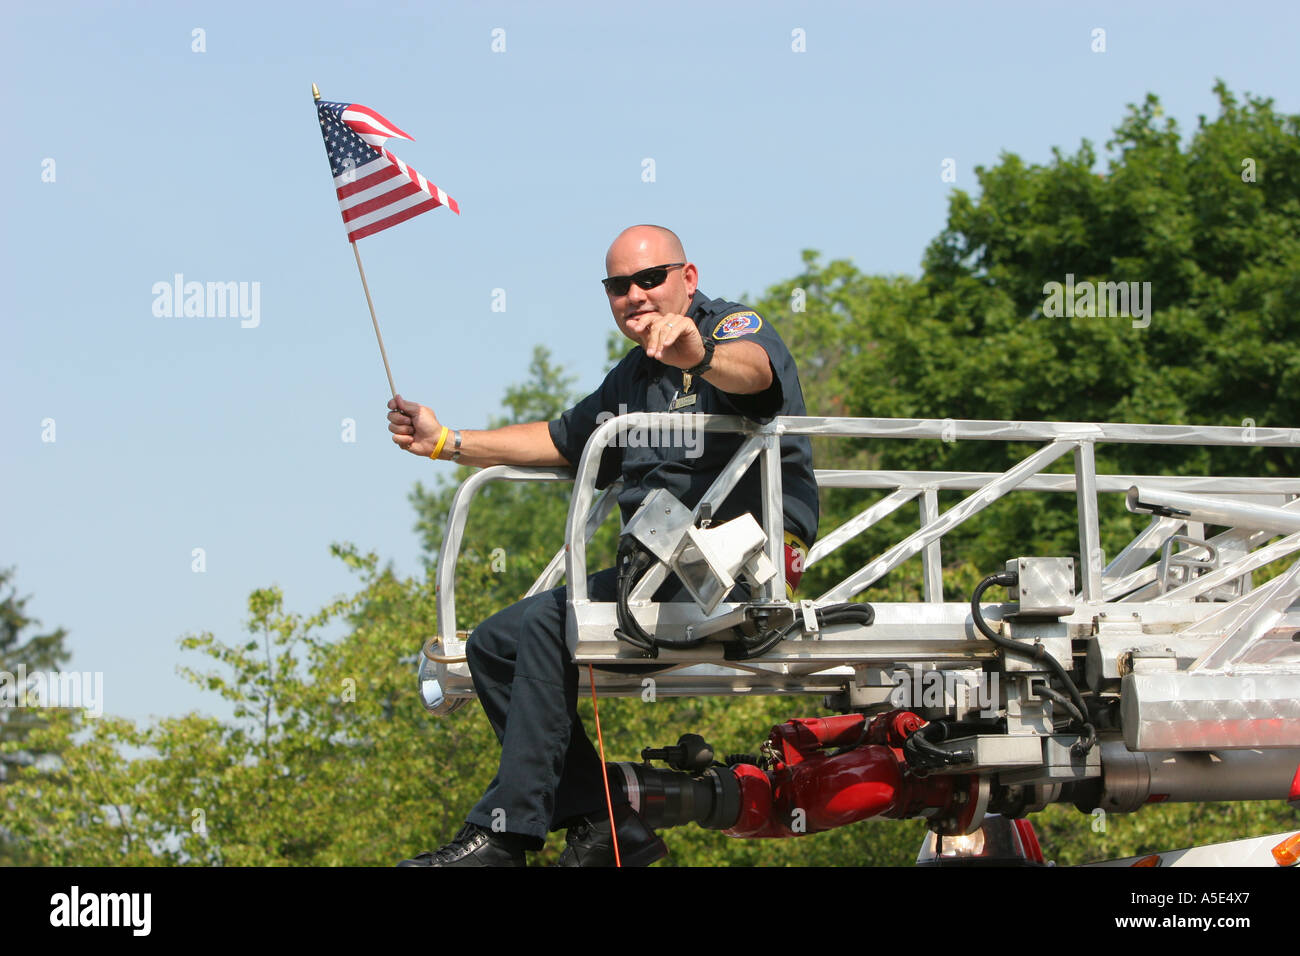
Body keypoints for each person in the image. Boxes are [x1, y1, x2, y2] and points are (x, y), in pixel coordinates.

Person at [385, 224, 818, 866]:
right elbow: (563, 438)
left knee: (544, 628)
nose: (636, 296)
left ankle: (507, 835)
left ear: (688, 278)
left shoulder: (729, 329)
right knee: (495, 643)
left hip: (736, 562)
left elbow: (755, 377)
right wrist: (447, 441)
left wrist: (697, 353)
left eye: (651, 279)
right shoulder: (635, 375)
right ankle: (606, 826)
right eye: (620, 286)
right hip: (655, 565)